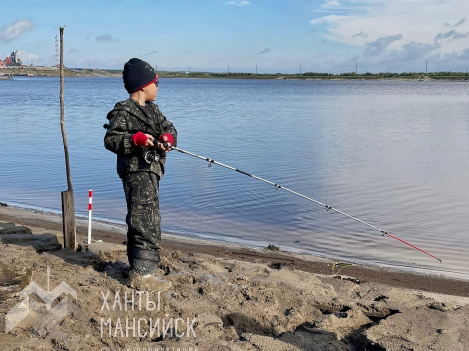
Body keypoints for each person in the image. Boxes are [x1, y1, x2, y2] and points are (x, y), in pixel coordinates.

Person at [104, 58, 177, 291]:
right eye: (156, 82)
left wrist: (167, 139)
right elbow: (111, 139)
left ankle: (142, 268)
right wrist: (135, 140)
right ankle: (141, 276)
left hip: (152, 172)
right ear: (143, 86)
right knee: (142, 218)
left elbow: (170, 128)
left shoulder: (155, 111)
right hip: (136, 172)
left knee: (150, 216)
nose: (158, 87)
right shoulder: (123, 111)